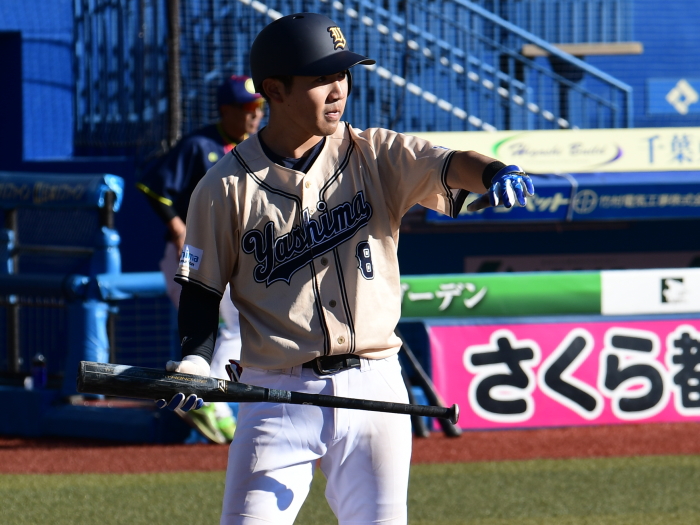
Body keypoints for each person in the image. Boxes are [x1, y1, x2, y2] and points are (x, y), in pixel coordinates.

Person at [156, 12, 534, 524]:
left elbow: (448, 162)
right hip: (277, 393)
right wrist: (195, 360)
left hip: (374, 384)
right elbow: (201, 290)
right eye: (321, 78)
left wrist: (494, 172)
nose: (339, 90)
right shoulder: (224, 186)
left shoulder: (375, 154)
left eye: (343, 74)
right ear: (275, 89)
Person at [137, 75, 265, 444]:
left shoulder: (256, 148)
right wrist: (177, 226)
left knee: (235, 328)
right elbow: (153, 185)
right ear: (225, 109)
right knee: (231, 328)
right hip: (192, 255)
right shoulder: (200, 145)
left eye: (258, 107)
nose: (254, 115)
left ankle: (203, 400)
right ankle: (204, 398)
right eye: (246, 107)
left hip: (232, 258)